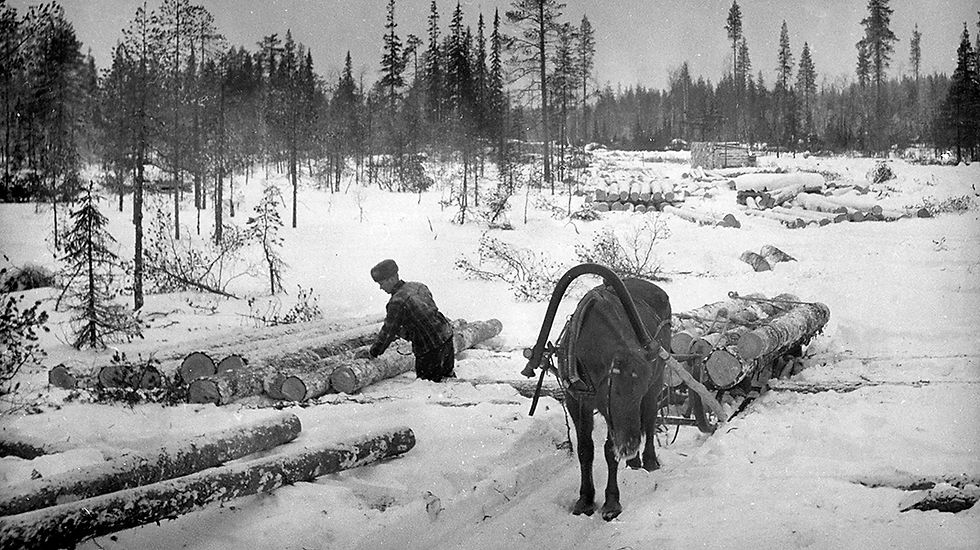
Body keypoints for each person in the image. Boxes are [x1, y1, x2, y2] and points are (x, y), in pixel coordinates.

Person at [355, 259, 456, 382]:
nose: (381, 288)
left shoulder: (396, 302)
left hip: (429, 349)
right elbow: (427, 315)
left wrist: (373, 352)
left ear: (391, 279)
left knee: (429, 387)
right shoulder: (418, 286)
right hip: (446, 338)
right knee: (448, 381)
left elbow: (388, 332)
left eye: (381, 283)